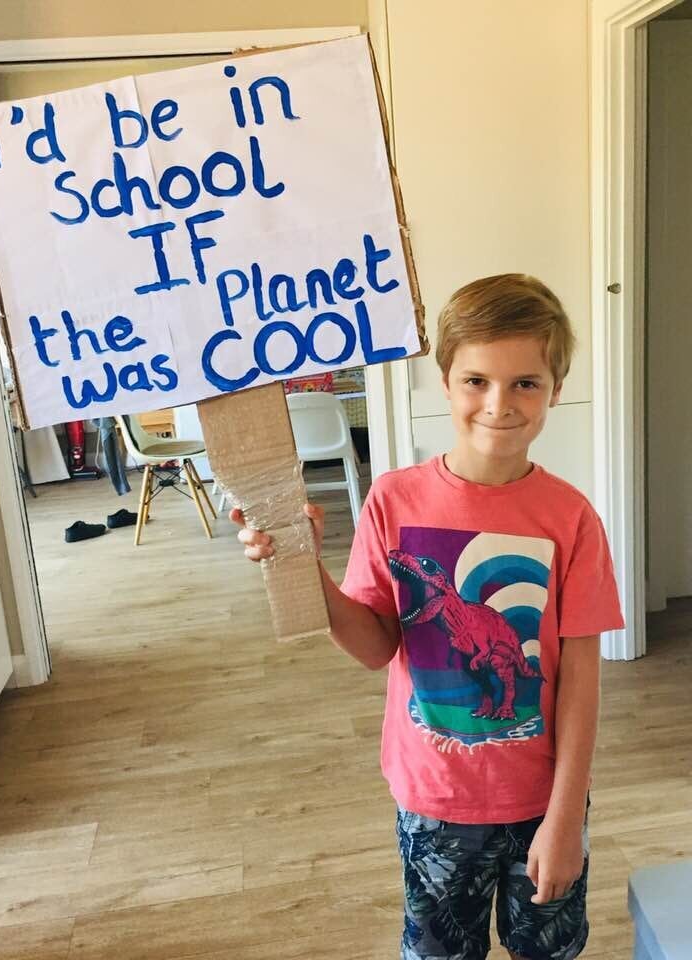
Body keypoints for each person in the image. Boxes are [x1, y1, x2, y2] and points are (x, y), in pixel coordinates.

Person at [231, 273, 624, 960]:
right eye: (477, 380)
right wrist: (301, 567)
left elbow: (582, 682)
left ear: (555, 389)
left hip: (542, 798)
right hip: (435, 795)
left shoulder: (572, 519)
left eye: (525, 383)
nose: (499, 404)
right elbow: (375, 644)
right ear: (444, 382)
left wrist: (566, 816)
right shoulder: (393, 499)